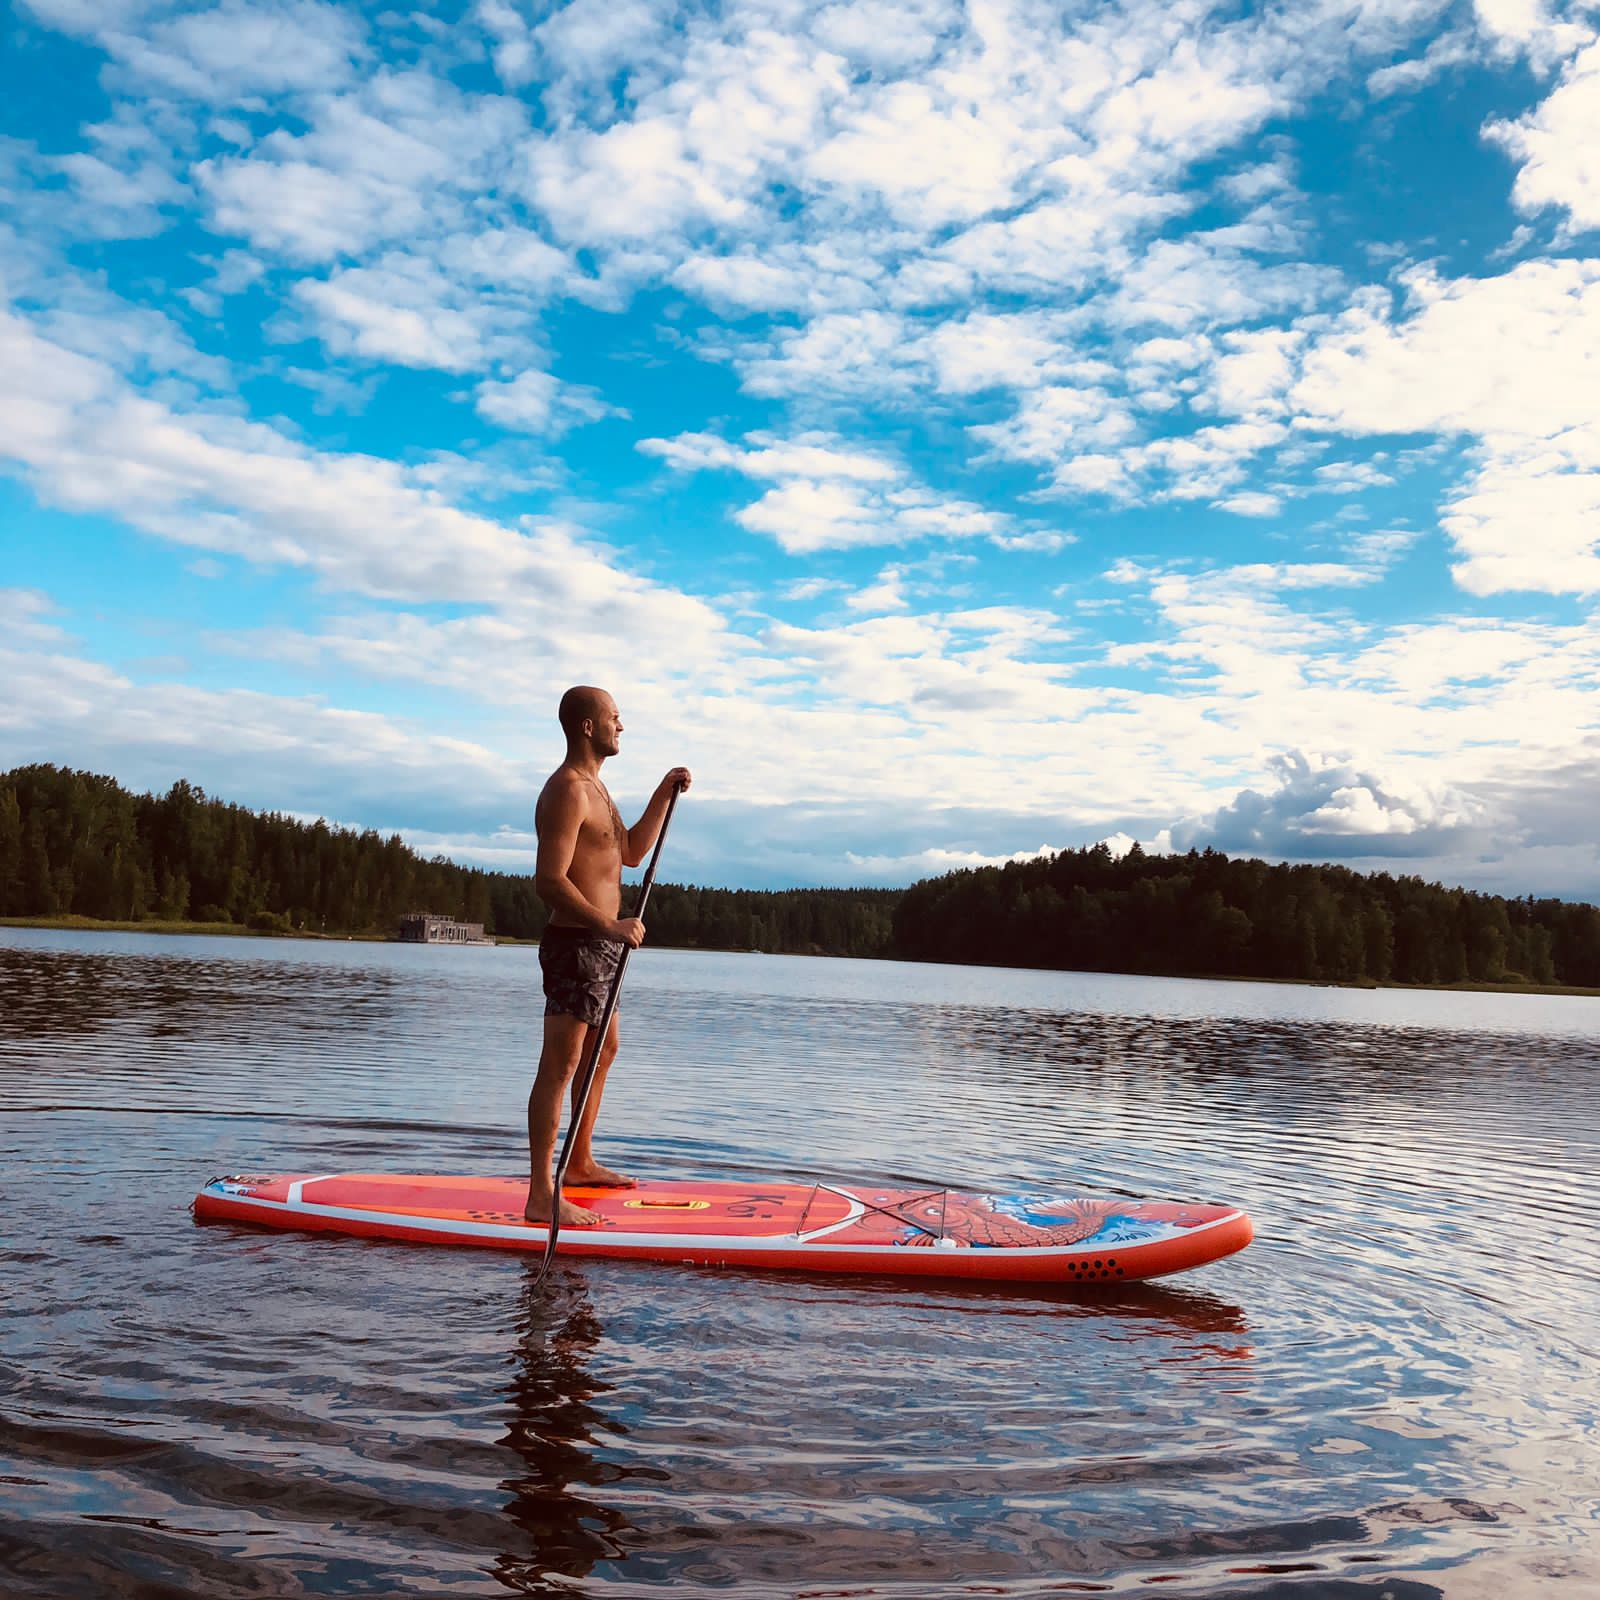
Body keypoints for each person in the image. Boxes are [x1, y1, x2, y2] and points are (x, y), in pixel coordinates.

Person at [526, 685, 691, 1227]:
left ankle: (579, 1163)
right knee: (562, 1063)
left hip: (603, 945)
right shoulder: (568, 791)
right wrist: (610, 925)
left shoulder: (598, 789)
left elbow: (630, 852)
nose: (623, 727)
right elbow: (548, 882)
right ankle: (541, 1193)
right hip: (577, 943)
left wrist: (664, 792)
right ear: (588, 727)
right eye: (615, 719)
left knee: (604, 1049)